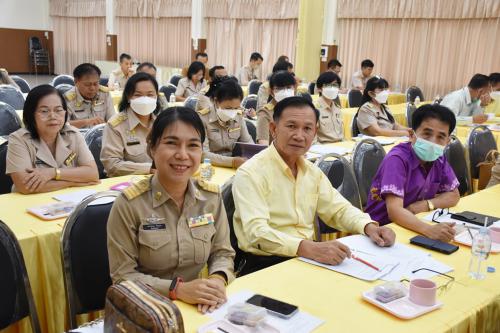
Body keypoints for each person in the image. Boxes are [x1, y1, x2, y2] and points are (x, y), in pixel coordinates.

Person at [232, 97, 396, 275]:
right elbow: (256, 233)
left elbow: (338, 209)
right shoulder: (251, 173)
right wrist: (307, 248)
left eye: (307, 128)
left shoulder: (312, 172)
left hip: (307, 256)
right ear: (273, 129)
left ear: (315, 133)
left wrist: (369, 226)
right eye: (291, 126)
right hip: (265, 263)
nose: (299, 136)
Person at [107, 107, 235, 314]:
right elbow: (123, 276)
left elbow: (223, 252)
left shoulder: (210, 197)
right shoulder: (129, 204)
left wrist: (217, 279)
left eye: (193, 146)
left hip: (199, 306)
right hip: (145, 309)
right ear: (152, 148)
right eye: (171, 143)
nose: (183, 155)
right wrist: (177, 290)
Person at [365, 104, 460, 242]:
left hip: (415, 224)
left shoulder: (438, 158)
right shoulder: (397, 159)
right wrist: (429, 230)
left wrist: (425, 205)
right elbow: (395, 211)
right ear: (411, 135)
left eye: (440, 137)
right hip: (383, 231)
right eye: (427, 134)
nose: (433, 141)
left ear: (448, 141)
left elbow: (454, 195)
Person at [6, 85, 99, 193]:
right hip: (29, 202)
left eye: (58, 110)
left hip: (68, 199)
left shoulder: (73, 134)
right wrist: (72, 183)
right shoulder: (19, 139)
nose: (53, 116)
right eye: (44, 111)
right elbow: (24, 185)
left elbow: (92, 173)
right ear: (31, 114)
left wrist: (53, 173)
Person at [101, 72, 161, 177]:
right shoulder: (116, 125)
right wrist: (150, 169)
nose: (145, 100)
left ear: (156, 96)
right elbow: (111, 165)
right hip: (126, 183)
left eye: (150, 94)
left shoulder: (162, 122)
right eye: (138, 95)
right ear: (128, 97)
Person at [197, 77, 253, 168]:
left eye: (236, 108)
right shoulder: (202, 119)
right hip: (209, 167)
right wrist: (232, 162)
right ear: (216, 101)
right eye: (228, 108)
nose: (232, 112)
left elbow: (249, 144)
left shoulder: (238, 116)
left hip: (234, 167)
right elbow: (203, 154)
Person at [64, 63, 115, 129]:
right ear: (76, 82)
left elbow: (112, 120)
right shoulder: (68, 99)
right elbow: (62, 125)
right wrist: (86, 122)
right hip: (78, 137)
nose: (92, 88)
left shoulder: (104, 94)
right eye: (87, 84)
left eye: (95, 84)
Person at [256, 71, 296, 145]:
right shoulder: (265, 113)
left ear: (294, 88)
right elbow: (263, 145)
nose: (285, 92)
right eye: (280, 88)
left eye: (289, 88)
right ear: (271, 91)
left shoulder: (298, 109)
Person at [314, 71, 344, 143]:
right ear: (319, 89)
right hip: (324, 147)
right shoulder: (314, 108)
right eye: (328, 85)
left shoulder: (337, 108)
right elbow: (312, 138)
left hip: (340, 146)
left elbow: (341, 134)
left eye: (335, 85)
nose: (332, 88)